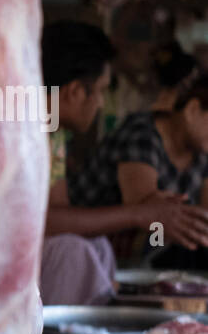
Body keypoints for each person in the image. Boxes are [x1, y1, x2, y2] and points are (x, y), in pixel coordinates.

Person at [39, 22, 208, 303]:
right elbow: (42, 223)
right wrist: (138, 213)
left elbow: (58, 213)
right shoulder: (15, 129)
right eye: (101, 91)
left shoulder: (54, 138)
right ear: (74, 92)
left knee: (96, 246)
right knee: (74, 252)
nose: (102, 104)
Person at [66, 70, 208, 270]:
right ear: (193, 110)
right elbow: (147, 213)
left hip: (146, 252)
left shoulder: (201, 153)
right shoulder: (142, 134)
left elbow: (202, 216)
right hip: (87, 247)